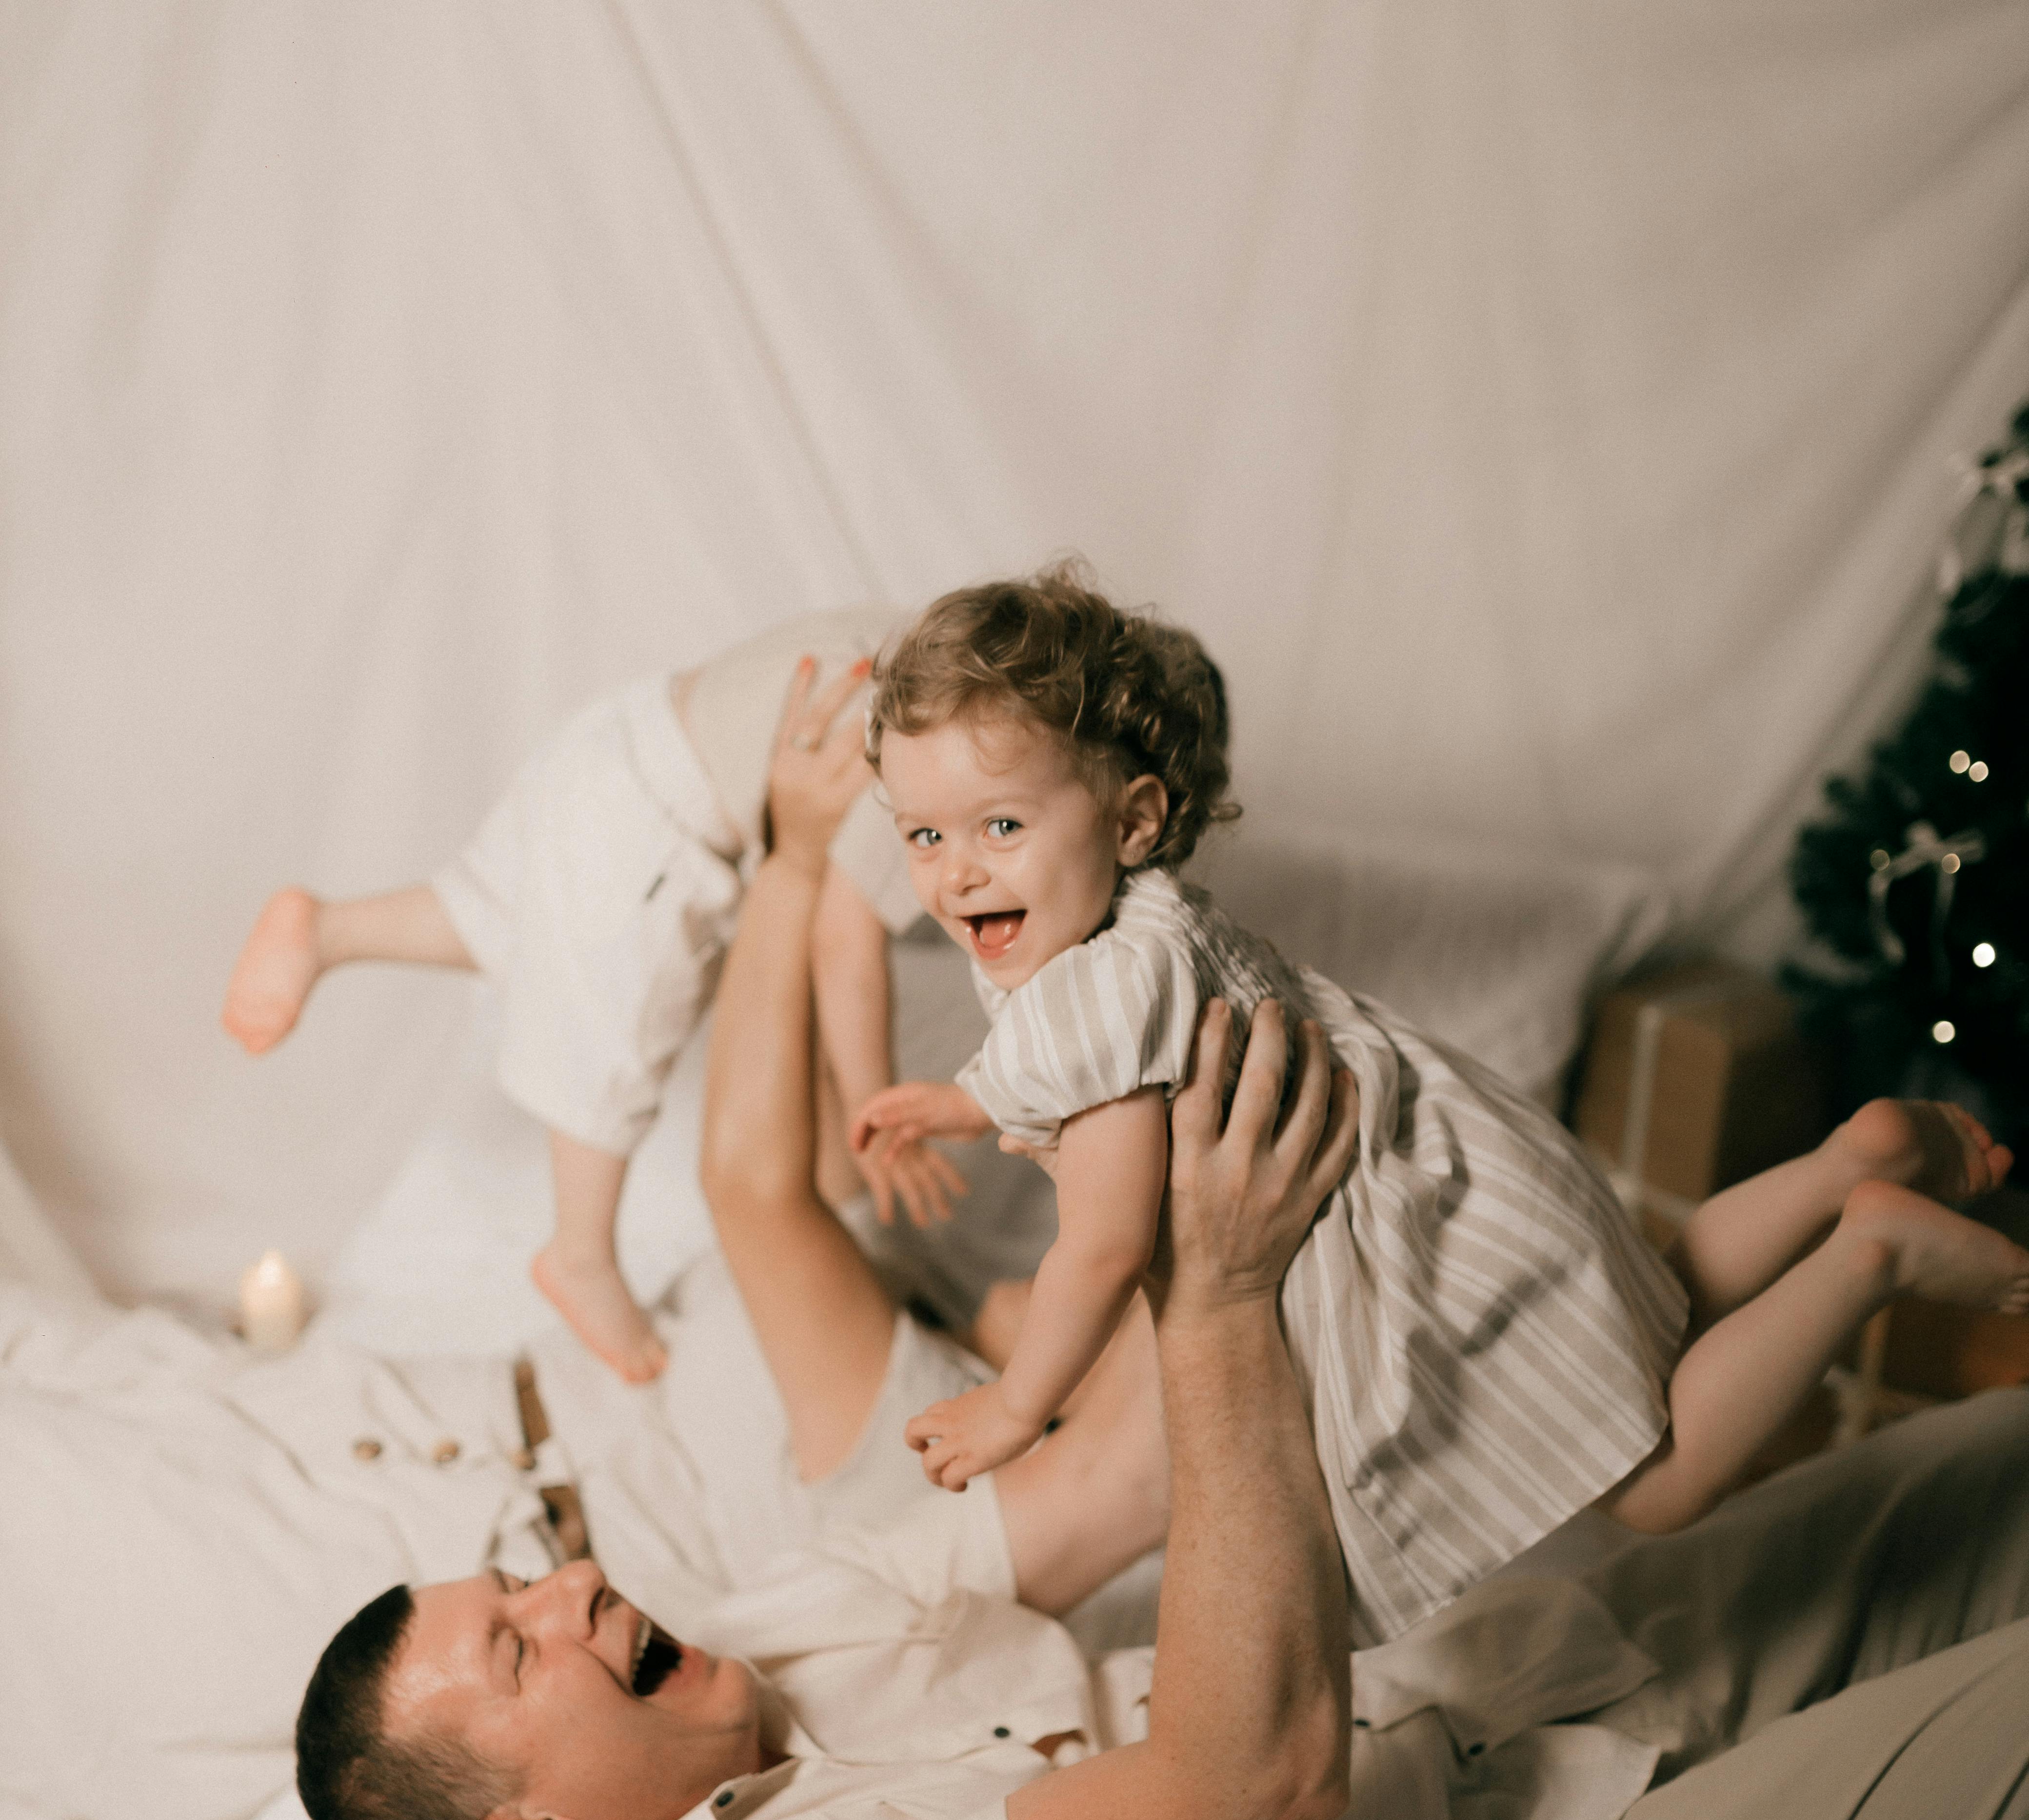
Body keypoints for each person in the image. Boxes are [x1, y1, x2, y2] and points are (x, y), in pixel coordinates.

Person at [295, 674, 2029, 1820]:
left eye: (527, 1582)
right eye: (525, 1647)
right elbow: (1251, 1782)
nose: (579, 1588)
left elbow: (1113, 1486)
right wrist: (1218, 1300)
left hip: (1516, 1704)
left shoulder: (772, 1630)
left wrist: (1171, 1098)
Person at [855, 569, 2029, 1644]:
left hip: (1410, 1263)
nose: (958, 870)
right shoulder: (1140, 920)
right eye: (924, 836)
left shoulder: (1092, 993)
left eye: (1000, 826)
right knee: (1662, 1303)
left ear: (1131, 820)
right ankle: (1840, 1165)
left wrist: (1019, 1405)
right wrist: (967, 1105)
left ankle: (1867, 1250)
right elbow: (1074, 1068)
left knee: (1661, 1482)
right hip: (1471, 1178)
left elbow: (1105, 1241)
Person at [220, 608, 966, 1385]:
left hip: (621, 740)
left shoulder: (908, 639)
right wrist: (880, 1105)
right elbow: (845, 947)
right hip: (657, 830)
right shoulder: (922, 761)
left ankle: (330, 930)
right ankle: (580, 1255)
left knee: (495, 915)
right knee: (611, 1047)